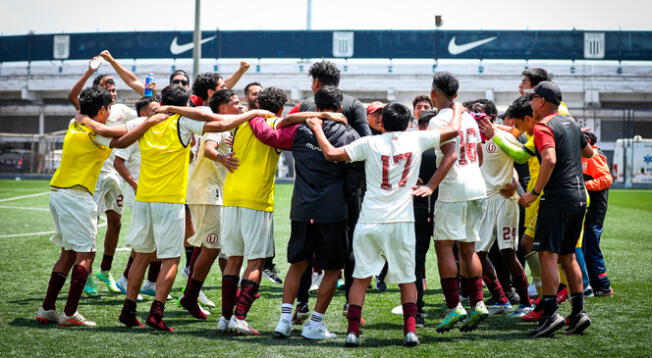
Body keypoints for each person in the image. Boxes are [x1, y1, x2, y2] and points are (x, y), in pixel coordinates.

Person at [117, 85, 273, 332]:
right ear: (185, 105)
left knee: (142, 254)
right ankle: (160, 311)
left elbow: (117, 142)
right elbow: (217, 125)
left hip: (145, 197)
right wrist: (252, 114)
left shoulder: (144, 123)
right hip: (173, 199)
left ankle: (128, 309)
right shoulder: (182, 122)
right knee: (173, 258)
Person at [307, 102, 463, 347]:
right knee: (407, 279)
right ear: (408, 122)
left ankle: (352, 332)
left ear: (382, 123)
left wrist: (317, 128)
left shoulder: (370, 143)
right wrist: (459, 111)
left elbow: (331, 154)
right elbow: (453, 131)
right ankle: (410, 331)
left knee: (360, 277)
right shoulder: (416, 139)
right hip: (401, 219)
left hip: (370, 218)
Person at [36, 86, 165, 326]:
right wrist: (149, 123)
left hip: (58, 193)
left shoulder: (76, 124)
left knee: (67, 253)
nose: (110, 114)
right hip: (77, 196)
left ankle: (47, 309)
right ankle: (70, 313)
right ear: (103, 109)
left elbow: (114, 134)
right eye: (109, 110)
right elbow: (123, 139)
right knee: (86, 254)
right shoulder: (96, 132)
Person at [240, 86, 357, 340]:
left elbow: (270, 134)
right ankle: (315, 323)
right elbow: (353, 179)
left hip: (302, 208)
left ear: (316, 106)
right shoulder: (349, 133)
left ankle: (283, 321)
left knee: (297, 264)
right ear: (340, 108)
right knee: (334, 270)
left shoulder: (300, 130)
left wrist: (255, 114)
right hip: (332, 211)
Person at [413, 71, 489, 333]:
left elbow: (450, 155)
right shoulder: (467, 117)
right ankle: (478, 303)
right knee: (468, 249)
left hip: (453, 189)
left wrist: (430, 185)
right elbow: (478, 154)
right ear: (456, 94)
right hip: (477, 186)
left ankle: (454, 306)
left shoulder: (438, 121)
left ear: (434, 94)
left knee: (444, 248)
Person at [519, 81, 594, 338]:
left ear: (541, 101)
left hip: (556, 198)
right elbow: (589, 153)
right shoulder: (571, 122)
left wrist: (534, 192)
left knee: (547, 255)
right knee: (569, 256)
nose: (530, 103)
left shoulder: (543, 125)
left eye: (532, 99)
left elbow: (549, 159)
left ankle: (550, 314)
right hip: (579, 197)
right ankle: (578, 313)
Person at [67, 53, 140, 297]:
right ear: (97, 92)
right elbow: (72, 97)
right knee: (92, 226)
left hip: (113, 177)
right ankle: (85, 275)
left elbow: (142, 115)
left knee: (116, 222)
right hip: (94, 176)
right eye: (107, 85)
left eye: (114, 85)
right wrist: (89, 71)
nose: (112, 89)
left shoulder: (122, 110)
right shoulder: (89, 111)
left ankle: (105, 271)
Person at [178, 88, 241, 320]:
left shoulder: (229, 124)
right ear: (223, 107)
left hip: (217, 194)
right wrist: (223, 157)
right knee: (212, 247)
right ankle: (190, 297)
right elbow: (209, 148)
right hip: (206, 193)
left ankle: (231, 297)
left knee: (227, 248)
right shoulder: (220, 124)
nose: (240, 105)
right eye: (235, 102)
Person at [469, 99, 534, 317]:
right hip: (483, 202)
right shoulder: (471, 140)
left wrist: (515, 183)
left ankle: (525, 303)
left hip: (505, 201)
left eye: (479, 112)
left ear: (491, 117)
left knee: (507, 252)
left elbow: (520, 160)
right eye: (472, 112)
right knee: (477, 253)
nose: (475, 116)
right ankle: (501, 299)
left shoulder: (504, 138)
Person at [113, 96, 161, 303]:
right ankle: (125, 279)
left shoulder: (156, 132)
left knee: (155, 240)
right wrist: (134, 184)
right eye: (153, 110)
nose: (157, 114)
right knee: (145, 241)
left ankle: (150, 283)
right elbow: (118, 162)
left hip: (154, 193)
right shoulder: (134, 131)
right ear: (142, 113)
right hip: (139, 195)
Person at [580, 128, 614, 297]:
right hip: (588, 209)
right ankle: (595, 285)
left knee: (591, 247)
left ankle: (603, 286)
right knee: (587, 247)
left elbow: (607, 179)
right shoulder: (585, 156)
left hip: (594, 210)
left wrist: (584, 186)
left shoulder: (593, 155)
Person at [412, 109, 438, 327]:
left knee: (417, 260)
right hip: (443, 209)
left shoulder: (412, 149)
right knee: (454, 256)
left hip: (417, 210)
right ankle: (455, 306)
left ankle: (417, 311)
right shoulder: (446, 149)